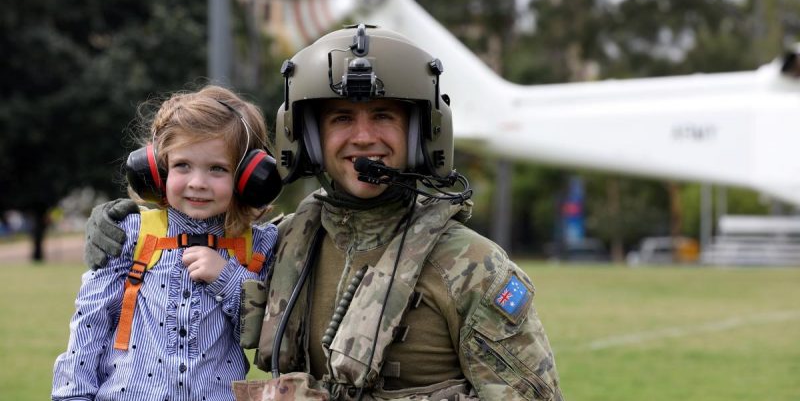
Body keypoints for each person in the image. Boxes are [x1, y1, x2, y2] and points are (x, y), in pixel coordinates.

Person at [84, 25, 564, 401]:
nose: (362, 136)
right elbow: (195, 243)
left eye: (384, 116)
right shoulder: (286, 243)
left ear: (422, 134)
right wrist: (124, 221)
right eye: (341, 119)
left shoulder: (473, 268)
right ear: (306, 137)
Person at [53, 85, 282, 401]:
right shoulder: (132, 233)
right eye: (182, 165)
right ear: (157, 171)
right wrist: (71, 396)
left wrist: (227, 278)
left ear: (247, 176)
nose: (197, 182)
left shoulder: (261, 245)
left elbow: (269, 334)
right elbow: (91, 320)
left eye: (217, 168)